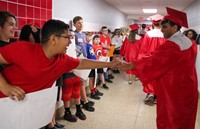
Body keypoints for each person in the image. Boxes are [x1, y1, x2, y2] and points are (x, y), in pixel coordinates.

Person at [0, 19, 120, 101]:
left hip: (29, 110)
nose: (69, 41)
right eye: (67, 37)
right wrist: (5, 87)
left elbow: (82, 62)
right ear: (53, 39)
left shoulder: (62, 59)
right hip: (5, 105)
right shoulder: (23, 49)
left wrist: (110, 63)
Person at [118, 7, 198, 129]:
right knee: (185, 120)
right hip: (187, 88)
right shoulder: (190, 42)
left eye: (165, 27)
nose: (161, 30)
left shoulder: (173, 46)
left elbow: (153, 60)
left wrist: (130, 65)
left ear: (175, 28)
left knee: (170, 122)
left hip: (174, 92)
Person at [138, 17, 166, 105]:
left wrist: (141, 60)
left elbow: (144, 49)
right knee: (160, 77)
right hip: (161, 60)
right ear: (161, 24)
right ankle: (158, 96)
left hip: (150, 59)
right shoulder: (165, 34)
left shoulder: (148, 34)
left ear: (153, 24)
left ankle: (150, 93)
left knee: (150, 76)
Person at [72, 16, 95, 112]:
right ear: (74, 24)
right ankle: (85, 101)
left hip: (84, 59)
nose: (81, 24)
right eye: (78, 23)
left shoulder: (84, 35)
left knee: (83, 81)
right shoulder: (74, 34)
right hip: (77, 61)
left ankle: (83, 99)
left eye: (82, 22)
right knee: (81, 81)